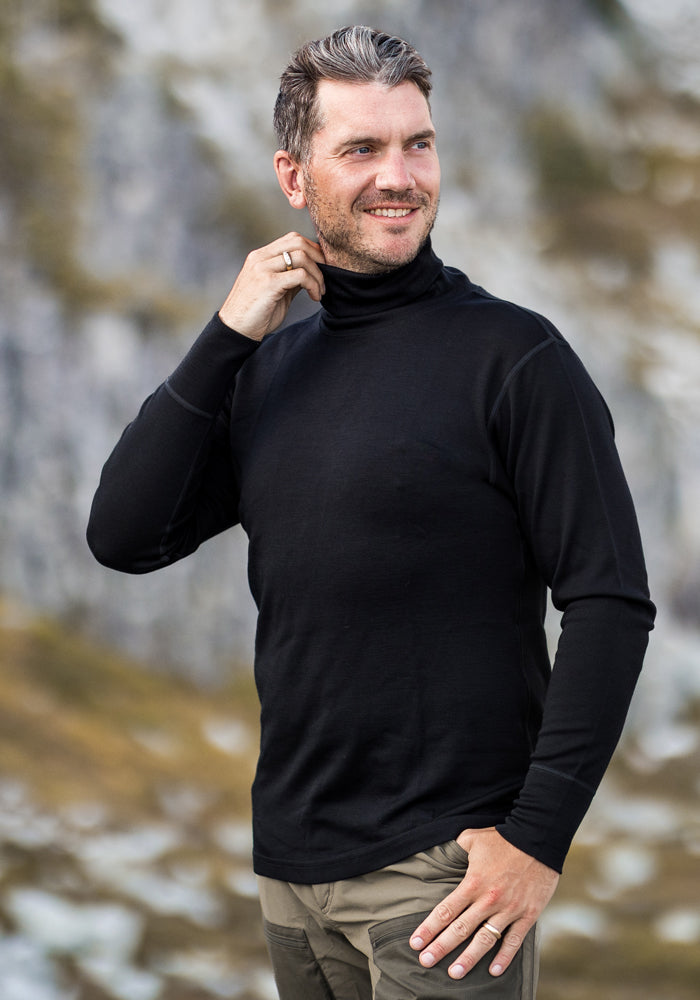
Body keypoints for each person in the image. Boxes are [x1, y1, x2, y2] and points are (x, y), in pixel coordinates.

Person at [87, 25, 655, 1000]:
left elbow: (610, 602)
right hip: (291, 881)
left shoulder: (514, 359)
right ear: (293, 175)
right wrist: (226, 335)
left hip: (439, 887)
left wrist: (536, 843)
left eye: (417, 143)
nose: (399, 176)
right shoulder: (269, 370)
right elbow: (124, 534)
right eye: (361, 149)